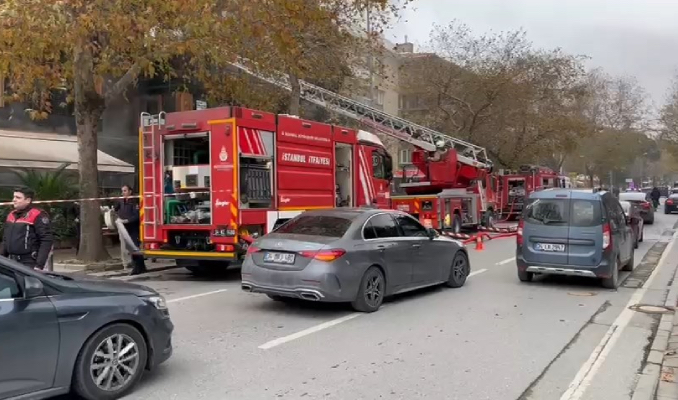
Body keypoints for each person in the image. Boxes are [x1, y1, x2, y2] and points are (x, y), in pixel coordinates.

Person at [0, 187, 53, 270]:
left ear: (28, 200)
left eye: (18, 197)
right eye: (14, 197)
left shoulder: (37, 215)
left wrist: (39, 265)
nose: (14, 200)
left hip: (29, 262)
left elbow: (46, 240)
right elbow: (5, 239)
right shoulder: (11, 215)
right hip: (12, 261)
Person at [114, 185, 147, 275]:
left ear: (130, 191)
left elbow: (137, 216)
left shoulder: (134, 202)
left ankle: (136, 268)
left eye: (125, 191)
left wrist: (127, 220)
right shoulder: (121, 201)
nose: (123, 193)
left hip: (133, 227)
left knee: (134, 247)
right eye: (122, 191)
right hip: (124, 227)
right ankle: (141, 267)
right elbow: (116, 209)